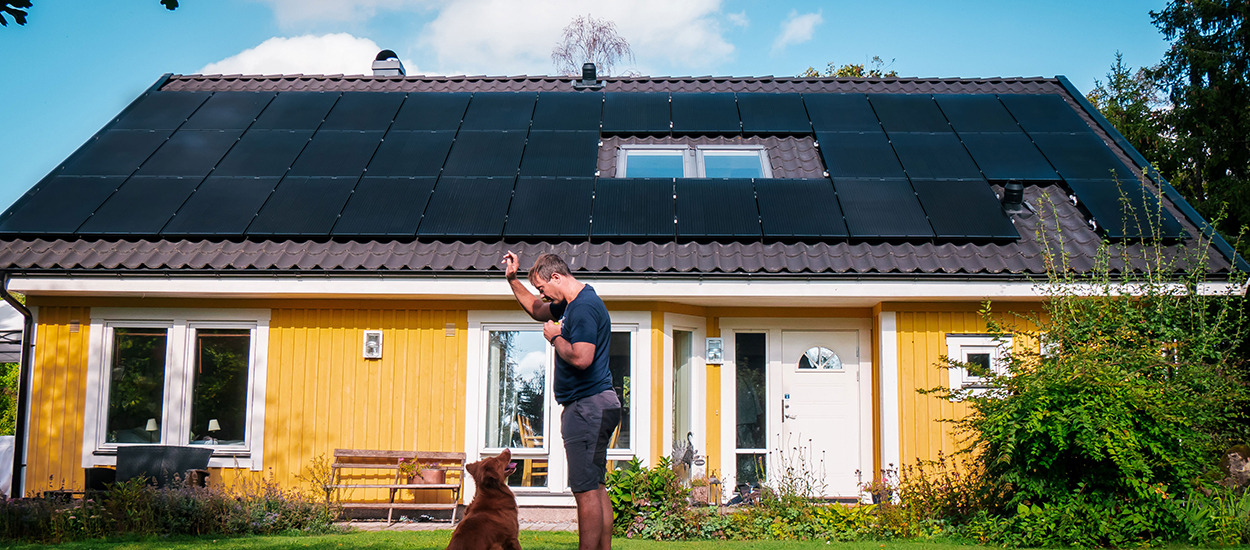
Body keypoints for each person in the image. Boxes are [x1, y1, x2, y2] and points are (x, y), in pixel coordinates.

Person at [502, 251, 620, 550]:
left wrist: (555, 337)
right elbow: (537, 309)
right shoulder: (574, 302)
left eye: (543, 287)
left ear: (556, 277)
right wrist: (513, 280)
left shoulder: (582, 308)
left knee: (585, 491)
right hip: (599, 404)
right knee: (596, 486)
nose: (542, 294)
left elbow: (582, 358)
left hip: (586, 406)